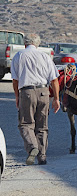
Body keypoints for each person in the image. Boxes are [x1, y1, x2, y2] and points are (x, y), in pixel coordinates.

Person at [11, 33, 60, 165]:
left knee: (26, 124)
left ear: (25, 43)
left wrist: (17, 96)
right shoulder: (45, 56)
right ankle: (42, 156)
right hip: (44, 92)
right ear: (37, 44)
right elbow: (54, 80)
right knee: (42, 126)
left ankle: (33, 147)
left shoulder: (19, 56)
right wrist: (56, 98)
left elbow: (15, 80)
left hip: (26, 92)